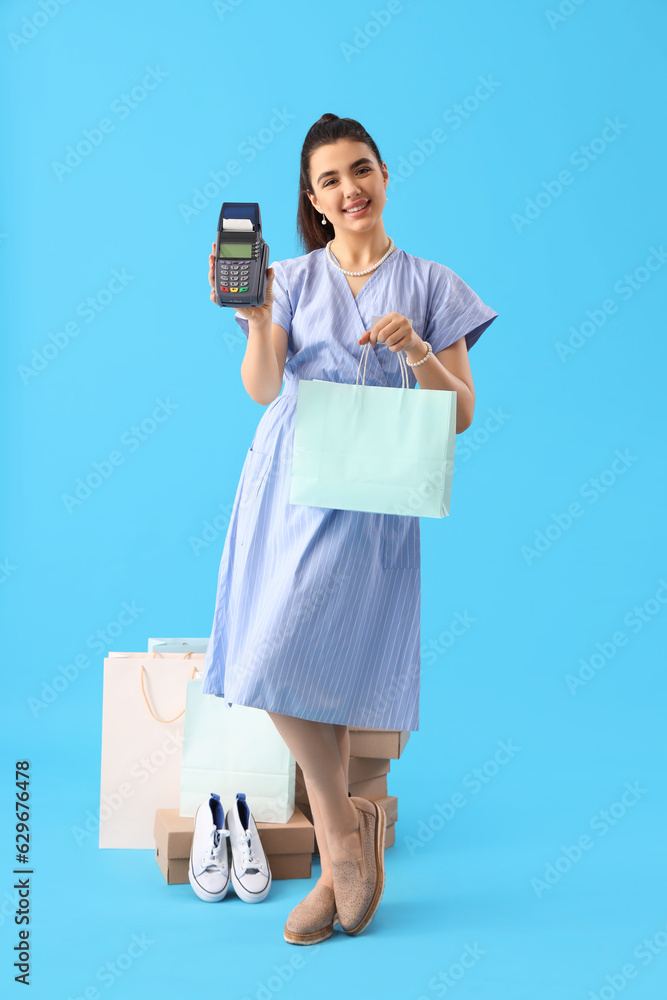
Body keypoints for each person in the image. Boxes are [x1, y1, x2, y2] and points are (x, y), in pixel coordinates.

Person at [203, 114, 498, 944]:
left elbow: (462, 415)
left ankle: (340, 848)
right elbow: (263, 389)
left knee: (317, 661)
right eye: (330, 180)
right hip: (287, 484)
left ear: (385, 175)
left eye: (360, 170)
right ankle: (345, 841)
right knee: (274, 658)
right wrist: (261, 318)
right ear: (312, 199)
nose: (349, 189)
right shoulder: (290, 277)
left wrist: (418, 354)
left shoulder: (433, 284)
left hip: (372, 494)